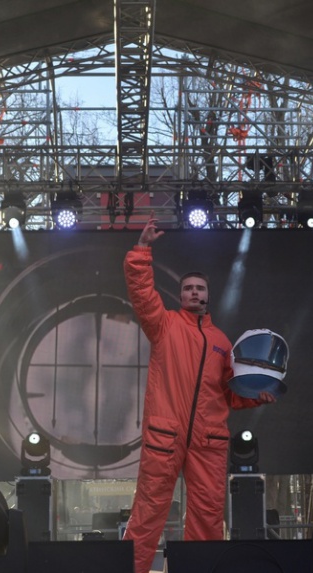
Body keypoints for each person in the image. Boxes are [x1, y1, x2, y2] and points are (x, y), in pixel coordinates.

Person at [122, 212, 276, 573]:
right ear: (181, 295)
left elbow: (230, 394)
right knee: (148, 512)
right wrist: (142, 251)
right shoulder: (164, 325)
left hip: (209, 440)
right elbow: (142, 294)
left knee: (207, 515)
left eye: (200, 288)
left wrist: (257, 395)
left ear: (208, 295)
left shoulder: (222, 342)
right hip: (166, 435)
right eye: (189, 288)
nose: (194, 292)